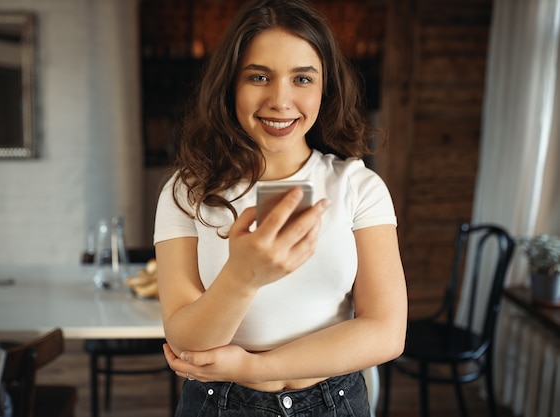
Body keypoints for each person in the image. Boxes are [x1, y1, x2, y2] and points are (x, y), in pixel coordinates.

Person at [153, 0, 407, 415]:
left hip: (334, 402)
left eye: (302, 78)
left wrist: (258, 367)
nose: (280, 100)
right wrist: (243, 277)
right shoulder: (186, 192)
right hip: (221, 404)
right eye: (258, 76)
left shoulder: (359, 187)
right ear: (230, 85)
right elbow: (185, 343)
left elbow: (386, 333)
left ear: (326, 89)